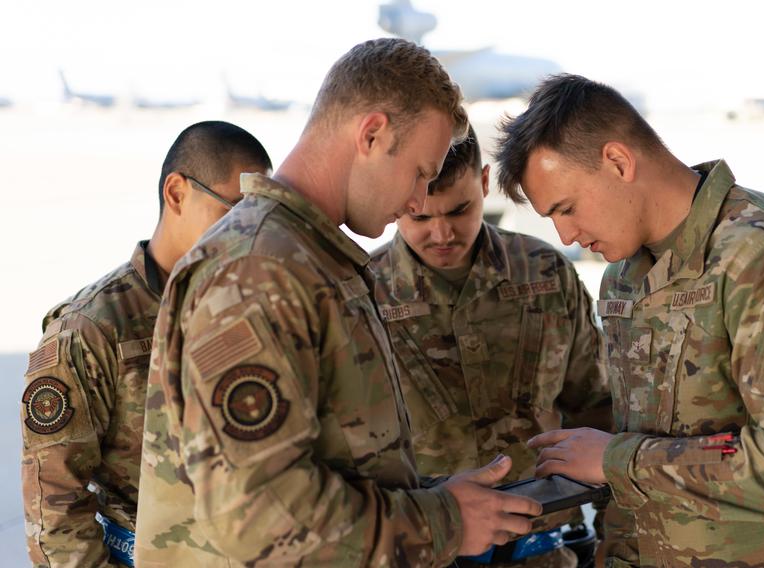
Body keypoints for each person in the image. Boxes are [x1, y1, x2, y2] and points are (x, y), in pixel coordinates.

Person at [134, 38, 542, 567]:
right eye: (420, 172)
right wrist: (442, 522)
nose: (419, 201)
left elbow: (340, 462)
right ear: (371, 134)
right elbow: (257, 514)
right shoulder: (257, 268)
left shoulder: (312, 258)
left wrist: (438, 497)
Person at [494, 74, 764, 566]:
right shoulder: (623, 279)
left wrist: (613, 458)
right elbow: (637, 479)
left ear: (618, 161)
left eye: (568, 208)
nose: (565, 234)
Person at [21, 120, 272, 567]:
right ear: (176, 193)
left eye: (260, 215)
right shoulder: (91, 328)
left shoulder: (254, 307)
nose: (248, 232)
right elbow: (55, 508)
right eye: (235, 211)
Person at [370, 124, 609, 567]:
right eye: (421, 217)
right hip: (430, 549)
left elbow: (595, 407)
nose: (442, 234)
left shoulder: (545, 274)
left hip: (545, 547)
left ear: (483, 183)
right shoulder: (365, 294)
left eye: (460, 210)